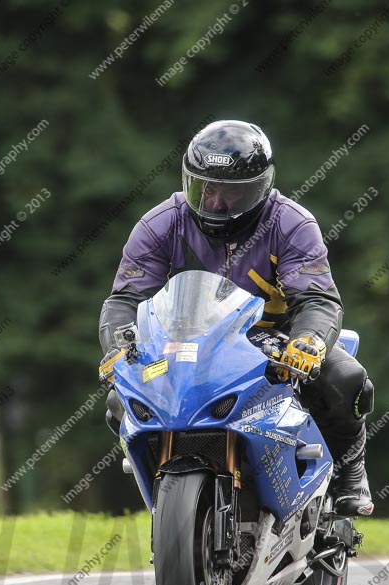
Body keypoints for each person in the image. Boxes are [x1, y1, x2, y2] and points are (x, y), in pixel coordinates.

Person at [98, 119, 374, 516]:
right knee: (119, 399)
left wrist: (309, 341)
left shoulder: (291, 223)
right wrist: (118, 345)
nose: (214, 202)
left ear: (262, 187)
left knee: (346, 379)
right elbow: (124, 298)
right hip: (185, 346)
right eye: (204, 187)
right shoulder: (160, 224)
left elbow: (317, 299)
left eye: (231, 192)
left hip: (274, 342)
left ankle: (351, 473)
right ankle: (163, 484)